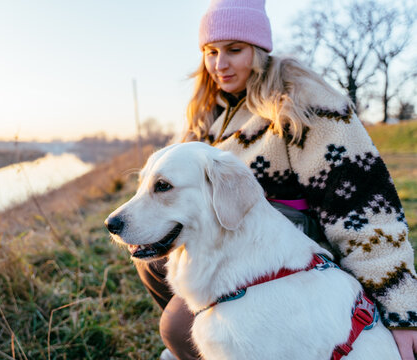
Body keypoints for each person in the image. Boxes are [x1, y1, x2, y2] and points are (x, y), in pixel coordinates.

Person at [134, 0, 417, 359]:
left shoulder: (302, 101)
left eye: (234, 50)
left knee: (176, 327)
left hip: (286, 256)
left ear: (260, 49)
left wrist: (400, 309)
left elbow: (363, 203)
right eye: (211, 51)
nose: (220, 64)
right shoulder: (210, 111)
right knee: (151, 257)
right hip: (229, 244)